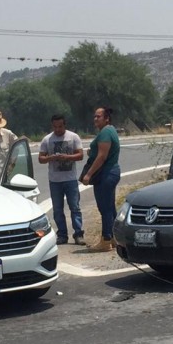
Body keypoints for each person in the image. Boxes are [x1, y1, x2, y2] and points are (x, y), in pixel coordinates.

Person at [39, 114, 85, 246]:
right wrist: (51, 158)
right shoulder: (47, 139)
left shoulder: (73, 137)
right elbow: (41, 159)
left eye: (60, 126)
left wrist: (67, 157)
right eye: (55, 127)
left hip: (70, 179)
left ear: (65, 125)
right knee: (58, 209)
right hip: (55, 181)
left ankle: (78, 234)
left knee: (75, 207)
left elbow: (80, 155)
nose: (58, 129)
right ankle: (62, 234)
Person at [81, 106, 121, 252]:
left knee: (105, 208)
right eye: (95, 116)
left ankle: (105, 240)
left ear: (106, 118)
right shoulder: (110, 131)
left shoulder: (105, 132)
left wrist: (88, 174)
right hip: (111, 172)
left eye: (99, 116)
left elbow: (102, 156)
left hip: (106, 174)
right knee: (110, 207)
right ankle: (115, 237)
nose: (96, 119)